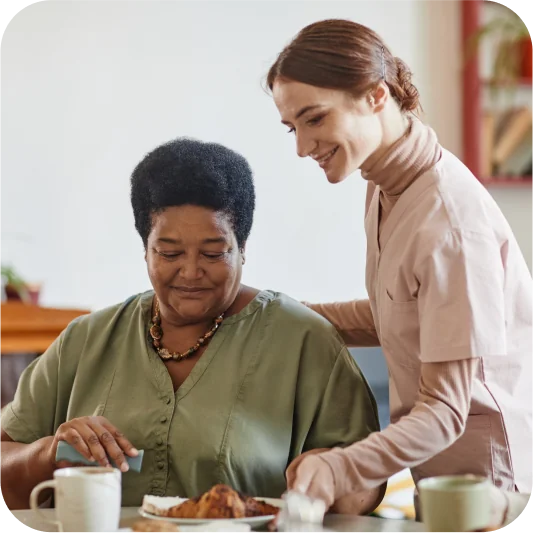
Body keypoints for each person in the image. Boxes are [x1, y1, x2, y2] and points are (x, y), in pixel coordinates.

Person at [0, 138, 384, 513]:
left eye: (214, 253)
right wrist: (47, 452)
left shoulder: (304, 340)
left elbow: (367, 491)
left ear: (243, 247)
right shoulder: (86, 340)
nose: (190, 271)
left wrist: (333, 475)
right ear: (145, 248)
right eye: (169, 252)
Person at [266, 17, 533, 525]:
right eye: (292, 127)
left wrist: (340, 468)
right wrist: (273, 315)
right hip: (438, 479)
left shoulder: (449, 222)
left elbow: (446, 411)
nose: (302, 146)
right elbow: (404, 313)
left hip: (494, 485)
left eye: (314, 119)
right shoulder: (385, 183)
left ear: (375, 95)